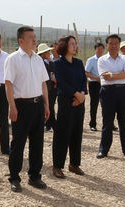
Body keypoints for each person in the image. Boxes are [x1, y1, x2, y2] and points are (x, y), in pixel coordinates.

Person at [4, 26, 50, 191]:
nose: (34, 39)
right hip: (21, 106)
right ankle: (14, 177)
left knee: (37, 143)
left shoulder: (38, 59)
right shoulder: (13, 59)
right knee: (18, 143)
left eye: (35, 36)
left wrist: (47, 105)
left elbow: (43, 83)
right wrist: (12, 106)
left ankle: (34, 176)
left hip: (37, 104)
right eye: (30, 37)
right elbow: (8, 84)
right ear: (21, 40)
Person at [50, 35, 87, 178]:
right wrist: (76, 94)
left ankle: (74, 164)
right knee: (62, 134)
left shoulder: (78, 63)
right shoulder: (58, 63)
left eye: (75, 43)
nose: (75, 46)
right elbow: (62, 83)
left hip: (79, 102)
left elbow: (84, 80)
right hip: (66, 101)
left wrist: (82, 94)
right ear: (64, 46)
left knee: (77, 133)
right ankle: (57, 166)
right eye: (72, 43)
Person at [96, 35, 125, 159]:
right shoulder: (102, 60)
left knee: (123, 122)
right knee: (107, 122)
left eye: (116, 43)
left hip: (123, 91)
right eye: (111, 43)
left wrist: (112, 75)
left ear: (119, 45)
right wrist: (120, 75)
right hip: (107, 92)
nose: (114, 45)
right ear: (106, 46)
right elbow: (105, 76)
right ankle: (103, 150)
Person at [84, 42, 104, 132]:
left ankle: (109, 124)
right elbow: (86, 72)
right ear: (95, 50)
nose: (100, 50)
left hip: (104, 84)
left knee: (107, 105)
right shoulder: (91, 60)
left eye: (101, 49)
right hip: (94, 84)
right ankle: (92, 124)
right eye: (98, 49)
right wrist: (96, 78)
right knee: (94, 104)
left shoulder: (105, 59)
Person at [38, 43, 58, 132]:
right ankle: (54, 127)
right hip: (46, 89)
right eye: (47, 52)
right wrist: (49, 59)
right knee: (49, 108)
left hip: (48, 88)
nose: (49, 54)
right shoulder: (41, 62)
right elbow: (53, 69)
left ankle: (50, 126)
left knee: (49, 108)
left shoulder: (40, 62)